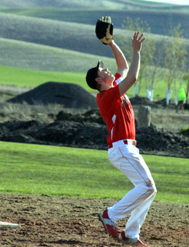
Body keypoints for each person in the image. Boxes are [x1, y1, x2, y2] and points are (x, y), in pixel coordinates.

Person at [86, 32, 157, 246]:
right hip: (121, 150)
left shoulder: (114, 86)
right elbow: (132, 77)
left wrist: (111, 43)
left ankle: (130, 234)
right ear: (99, 80)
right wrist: (137, 51)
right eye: (102, 70)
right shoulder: (106, 96)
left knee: (148, 189)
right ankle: (110, 215)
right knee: (146, 187)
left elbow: (123, 67)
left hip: (129, 150)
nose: (108, 69)